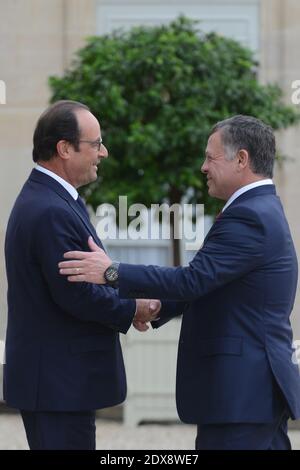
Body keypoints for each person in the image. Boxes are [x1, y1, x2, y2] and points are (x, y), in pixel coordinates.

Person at [59, 115, 300, 450]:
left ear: (242, 159)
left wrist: (111, 272)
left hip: (241, 393)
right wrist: (155, 308)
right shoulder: (257, 209)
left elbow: (193, 279)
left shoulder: (251, 216)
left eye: (210, 157)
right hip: (250, 393)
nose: (202, 167)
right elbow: (211, 283)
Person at [4, 100, 160, 450]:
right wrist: (133, 308)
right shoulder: (49, 210)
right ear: (64, 148)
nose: (103, 152)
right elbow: (77, 293)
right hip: (58, 385)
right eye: (96, 144)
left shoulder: (55, 200)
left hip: (60, 383)